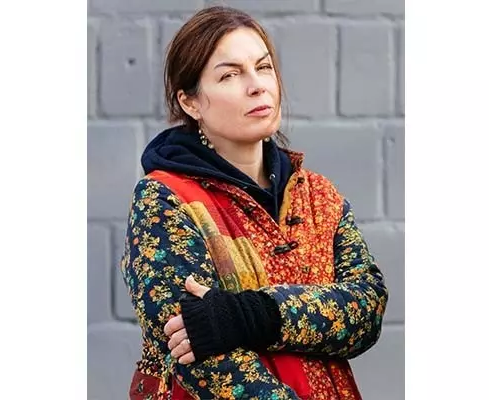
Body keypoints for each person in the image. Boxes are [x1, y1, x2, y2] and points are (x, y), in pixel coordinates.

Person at [120, 6, 388, 400]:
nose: (256, 86)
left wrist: (255, 314)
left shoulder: (319, 196)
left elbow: (366, 310)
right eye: (229, 75)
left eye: (263, 68)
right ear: (191, 102)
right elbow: (193, 350)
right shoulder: (166, 199)